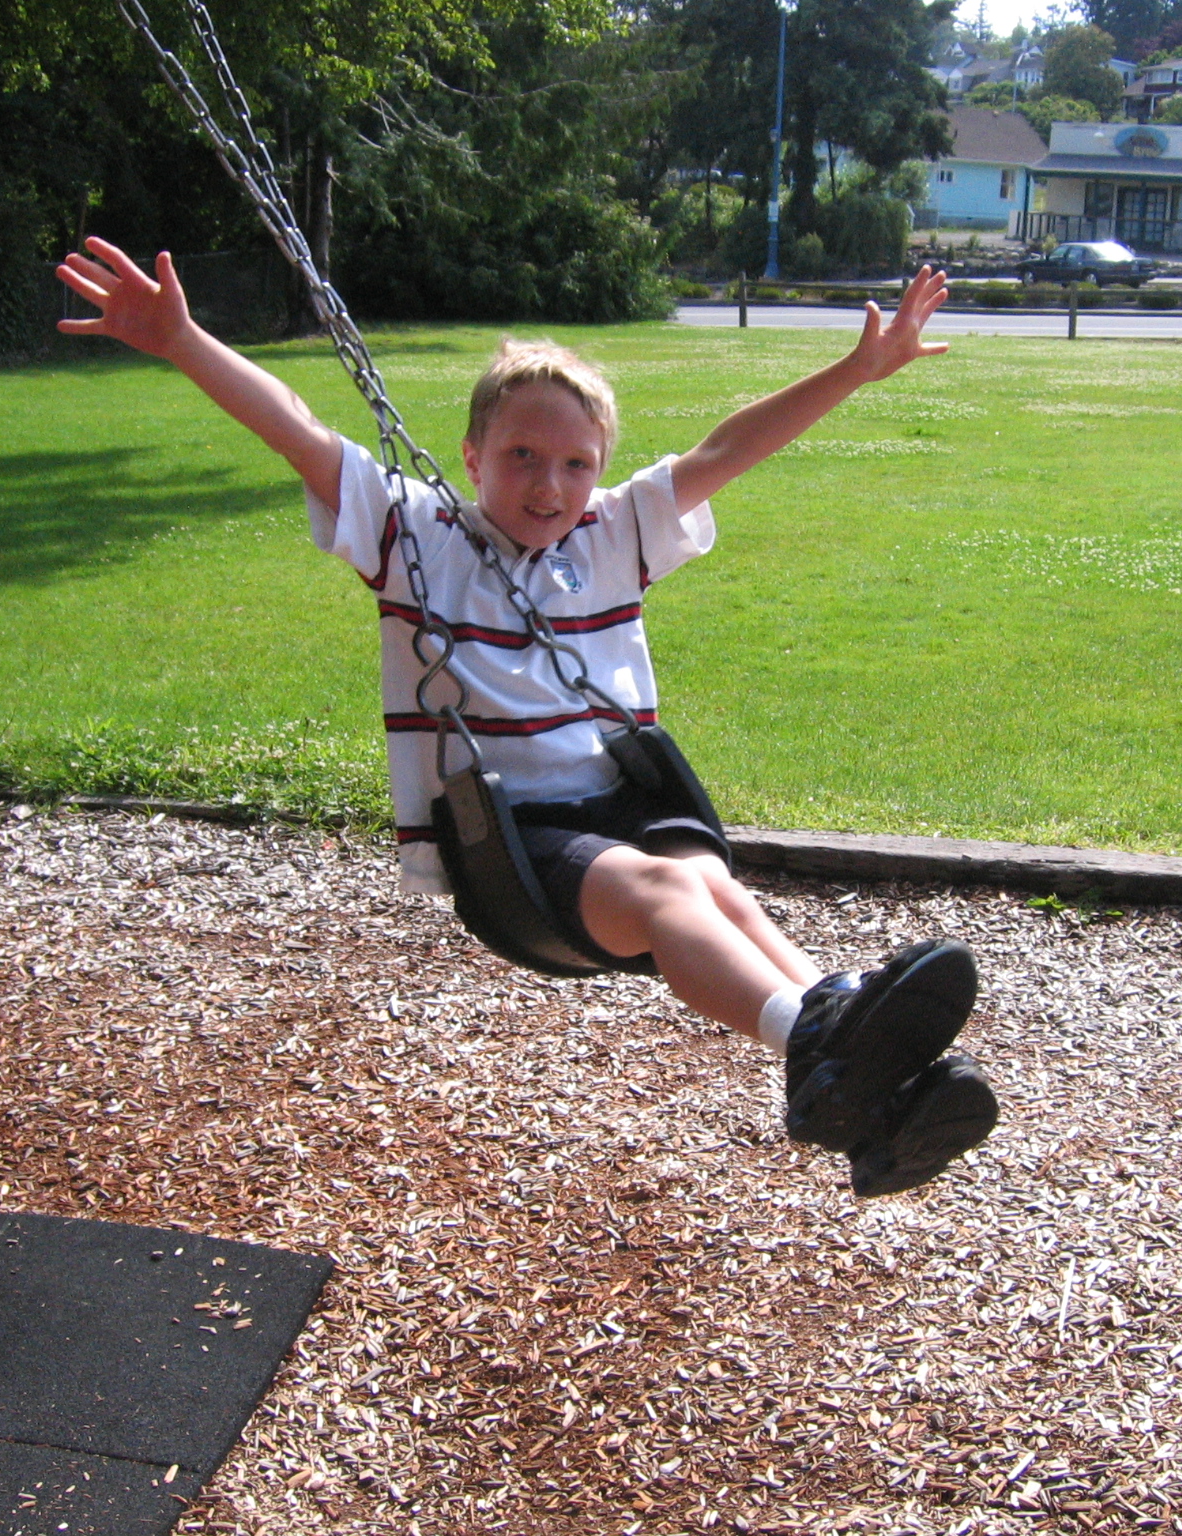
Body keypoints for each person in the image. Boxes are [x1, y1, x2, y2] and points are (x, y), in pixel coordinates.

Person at [55, 240, 998, 1197]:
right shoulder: (416, 536)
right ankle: (820, 1036)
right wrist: (182, 340)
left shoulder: (613, 535)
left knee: (714, 883)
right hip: (514, 842)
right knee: (669, 893)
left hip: (622, 803)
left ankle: (866, 1084)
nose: (549, 487)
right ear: (471, 456)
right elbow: (298, 428)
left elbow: (724, 450)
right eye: (520, 457)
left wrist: (856, 367)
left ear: (601, 471)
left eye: (575, 464)